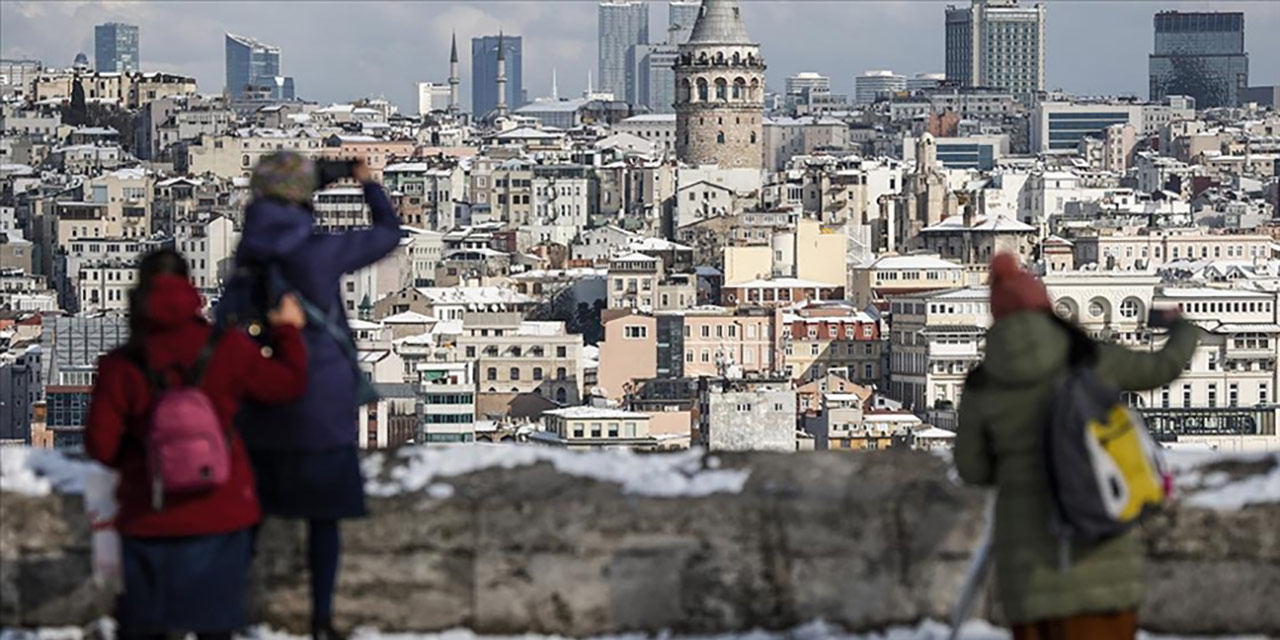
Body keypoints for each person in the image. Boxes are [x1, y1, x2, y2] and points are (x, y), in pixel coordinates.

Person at [956, 254, 1200, 640]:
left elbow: (972, 469)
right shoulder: (1089, 357)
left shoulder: (982, 384)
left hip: (1027, 571)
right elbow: (1162, 368)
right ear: (1045, 306)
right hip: (1101, 557)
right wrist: (1184, 329)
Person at [86, 249, 308, 640]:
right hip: (220, 511)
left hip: (149, 515)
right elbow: (286, 385)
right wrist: (288, 331)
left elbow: (101, 446)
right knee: (216, 628)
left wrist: (147, 464)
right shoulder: (226, 348)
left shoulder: (121, 363)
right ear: (191, 288)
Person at [234, 152, 401, 640]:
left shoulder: (248, 250)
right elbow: (389, 233)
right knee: (323, 519)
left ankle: (236, 614)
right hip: (320, 404)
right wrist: (365, 184)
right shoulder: (316, 250)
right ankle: (321, 619)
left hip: (261, 399)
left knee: (250, 519)